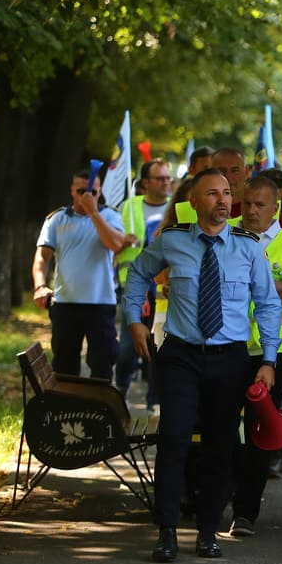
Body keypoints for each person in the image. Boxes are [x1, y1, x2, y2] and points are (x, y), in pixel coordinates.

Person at [124, 168, 282, 562]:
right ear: (193, 203)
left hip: (229, 360)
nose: (223, 200)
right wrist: (133, 321)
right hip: (180, 356)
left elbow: (267, 304)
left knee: (220, 447)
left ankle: (208, 531)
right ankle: (166, 531)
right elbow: (137, 273)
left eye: (227, 193)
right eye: (212, 193)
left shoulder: (247, 247)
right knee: (174, 441)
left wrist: (267, 360)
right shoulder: (173, 241)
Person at [229, 175, 282, 535]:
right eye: (246, 204)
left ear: (275, 208)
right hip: (225, 346)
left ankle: (245, 512)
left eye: (260, 205)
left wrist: (262, 279)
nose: (250, 211)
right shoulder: (225, 234)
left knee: (259, 434)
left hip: (272, 354)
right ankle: (215, 497)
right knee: (220, 428)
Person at [32, 169, 132, 381]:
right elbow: (42, 258)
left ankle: (99, 409)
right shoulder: (57, 219)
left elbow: (115, 245)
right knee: (64, 364)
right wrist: (40, 286)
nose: (87, 196)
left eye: (92, 192)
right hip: (65, 303)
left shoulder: (110, 216)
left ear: (100, 191)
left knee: (102, 362)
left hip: (100, 303)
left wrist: (94, 213)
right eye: (81, 191)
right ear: (71, 191)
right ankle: (67, 408)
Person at [115, 159, 174, 396]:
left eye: (168, 178)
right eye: (160, 178)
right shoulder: (128, 207)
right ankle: (120, 390)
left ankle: (154, 402)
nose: (166, 183)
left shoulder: (175, 208)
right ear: (145, 183)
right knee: (128, 346)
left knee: (158, 345)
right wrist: (122, 241)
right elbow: (111, 245)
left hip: (162, 290)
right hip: (134, 286)